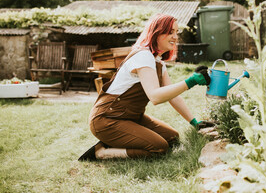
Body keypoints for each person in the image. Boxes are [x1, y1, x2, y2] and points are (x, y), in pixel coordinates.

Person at [79, 13, 213, 161]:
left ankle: (119, 139)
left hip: (132, 117)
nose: (175, 37)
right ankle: (103, 152)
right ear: (156, 32)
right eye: (170, 32)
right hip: (107, 119)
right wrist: (190, 82)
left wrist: (195, 122)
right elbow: (155, 96)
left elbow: (173, 96)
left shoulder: (158, 62)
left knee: (172, 137)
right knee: (159, 147)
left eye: (176, 32)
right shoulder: (143, 56)